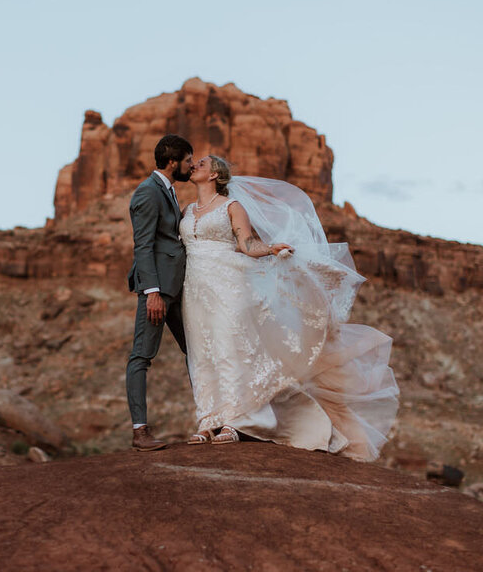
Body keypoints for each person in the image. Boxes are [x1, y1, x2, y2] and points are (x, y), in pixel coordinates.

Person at [180, 155, 399, 460]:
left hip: (230, 285)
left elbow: (246, 244)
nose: (195, 166)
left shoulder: (232, 206)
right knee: (202, 353)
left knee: (231, 349)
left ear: (215, 173)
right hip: (195, 290)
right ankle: (207, 420)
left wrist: (270, 248)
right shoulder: (187, 211)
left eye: (201, 163)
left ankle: (234, 421)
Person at [126, 134, 194, 451]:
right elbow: (143, 245)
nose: (191, 166)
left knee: (195, 350)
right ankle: (140, 432)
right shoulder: (147, 193)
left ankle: (212, 418)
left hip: (177, 288)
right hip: (157, 292)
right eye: (188, 160)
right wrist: (152, 292)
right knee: (142, 356)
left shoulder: (167, 190)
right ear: (173, 162)